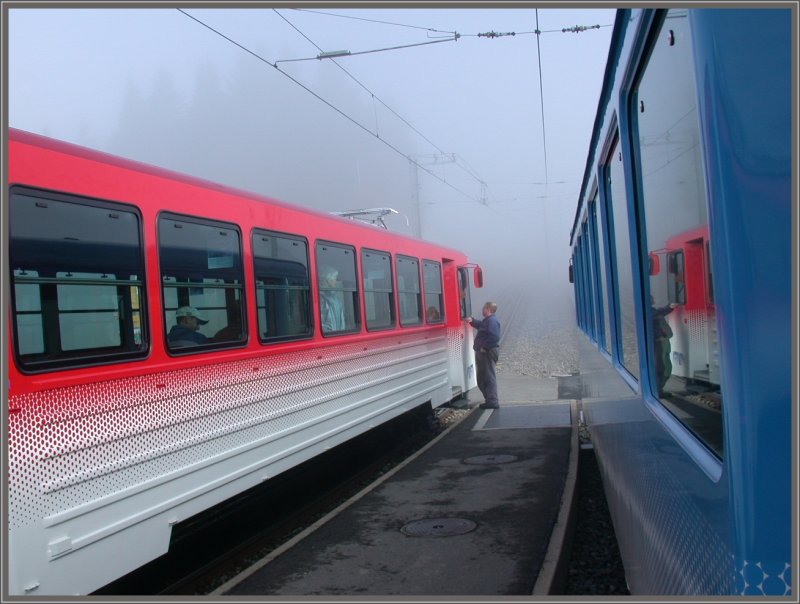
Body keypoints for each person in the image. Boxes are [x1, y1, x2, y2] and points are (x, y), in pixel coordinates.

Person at [466, 301, 501, 409]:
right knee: (482, 377)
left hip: (487, 352)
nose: (482, 310)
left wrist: (484, 347)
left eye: (484, 308)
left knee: (488, 377)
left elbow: (494, 337)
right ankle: (489, 400)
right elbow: (481, 325)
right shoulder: (488, 321)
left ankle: (492, 401)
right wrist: (472, 321)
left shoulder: (492, 321)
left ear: (488, 309)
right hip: (484, 352)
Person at [651, 297, 677, 397]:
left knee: (663, 366)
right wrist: (659, 336)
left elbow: (661, 311)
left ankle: (658, 390)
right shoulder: (651, 313)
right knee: (662, 367)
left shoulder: (652, 311)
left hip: (661, 342)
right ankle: (658, 391)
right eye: (651, 298)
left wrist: (670, 306)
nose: (654, 299)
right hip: (659, 343)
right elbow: (659, 313)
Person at [319, 266, 345, 333]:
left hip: (338, 336)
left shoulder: (335, 298)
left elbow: (342, 321)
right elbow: (323, 323)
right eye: (335, 278)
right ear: (328, 280)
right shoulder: (321, 299)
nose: (336, 281)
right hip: (330, 336)